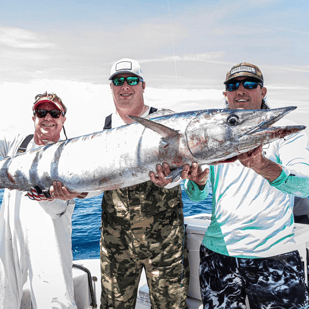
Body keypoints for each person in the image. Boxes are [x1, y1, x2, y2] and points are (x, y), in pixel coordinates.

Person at [177, 62, 309, 309]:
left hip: (274, 255)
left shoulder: (285, 131)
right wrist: (197, 182)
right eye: (232, 85)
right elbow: (197, 195)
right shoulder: (212, 135)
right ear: (225, 94)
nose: (240, 90)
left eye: (250, 84)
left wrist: (262, 165)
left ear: (263, 91)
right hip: (217, 256)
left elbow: (306, 186)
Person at [100, 58, 189, 309]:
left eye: (131, 80)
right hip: (116, 247)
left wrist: (170, 181)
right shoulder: (103, 129)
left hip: (165, 247)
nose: (125, 86)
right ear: (111, 87)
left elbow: (184, 171)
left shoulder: (167, 121)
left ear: (143, 85)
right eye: (118, 81)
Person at [0, 92, 87, 309]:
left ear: (63, 119)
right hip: (10, 239)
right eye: (41, 112)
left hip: (49, 239)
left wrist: (50, 196)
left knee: (55, 302)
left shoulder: (71, 154)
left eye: (54, 113)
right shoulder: (18, 143)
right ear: (33, 117)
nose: (47, 117)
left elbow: (59, 209)